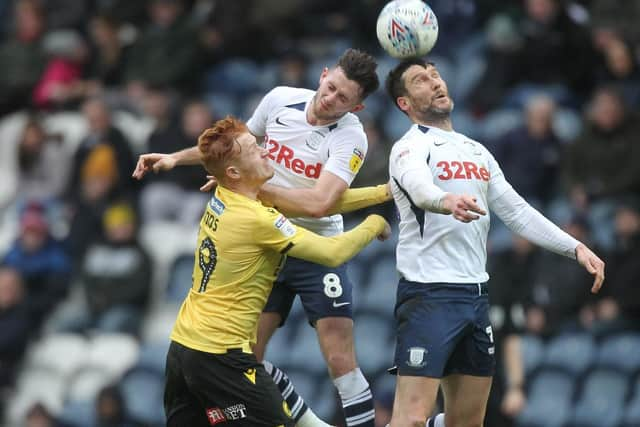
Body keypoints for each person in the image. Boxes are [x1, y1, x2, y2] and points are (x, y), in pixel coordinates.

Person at [133, 48, 387, 427]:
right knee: (247, 360)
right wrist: (177, 158)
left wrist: (249, 191)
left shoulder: (351, 138)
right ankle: (248, 415)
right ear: (322, 75)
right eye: (331, 87)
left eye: (343, 99)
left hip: (313, 247)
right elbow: (231, 147)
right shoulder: (280, 100)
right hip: (266, 245)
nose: (330, 99)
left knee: (340, 360)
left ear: (358, 108)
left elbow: (320, 204)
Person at [384, 58, 605, 427]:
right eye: (421, 80)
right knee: (410, 420)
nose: (435, 82)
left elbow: (517, 212)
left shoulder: (476, 150)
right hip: (428, 295)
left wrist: (575, 248)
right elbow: (419, 187)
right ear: (404, 103)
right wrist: (445, 200)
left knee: (468, 422)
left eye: (436, 74)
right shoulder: (408, 147)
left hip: (474, 297)